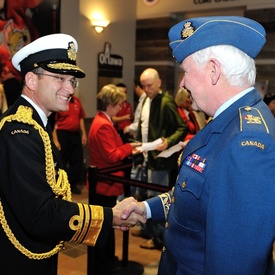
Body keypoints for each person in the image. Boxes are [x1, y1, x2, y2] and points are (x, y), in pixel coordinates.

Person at [122, 16, 275, 274]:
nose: (182, 83)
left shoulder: (247, 144)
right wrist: (147, 209)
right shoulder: (229, 122)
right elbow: (195, 194)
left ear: (214, 70)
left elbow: (234, 263)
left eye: (186, 71)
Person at [0, 33, 145, 275]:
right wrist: (110, 217)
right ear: (31, 80)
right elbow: (39, 213)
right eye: (59, 78)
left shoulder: (37, 124)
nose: (70, 88)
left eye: (72, 81)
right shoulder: (19, 131)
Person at [87, 84, 141, 274]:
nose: (120, 109)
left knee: (107, 226)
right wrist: (130, 148)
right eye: (118, 105)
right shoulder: (103, 125)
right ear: (110, 104)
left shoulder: (104, 121)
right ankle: (103, 264)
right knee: (103, 227)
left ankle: (108, 259)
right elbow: (111, 155)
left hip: (106, 182)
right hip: (103, 183)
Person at [135, 68, 187, 249]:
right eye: (143, 86)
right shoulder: (146, 100)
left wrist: (169, 141)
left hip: (160, 159)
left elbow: (182, 127)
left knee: (156, 197)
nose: (146, 89)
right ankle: (148, 231)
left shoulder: (166, 102)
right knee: (144, 195)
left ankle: (158, 238)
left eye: (149, 85)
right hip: (147, 155)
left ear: (159, 83)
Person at [52, 95, 87, 195]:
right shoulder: (59, 100)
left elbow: (81, 118)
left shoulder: (76, 100)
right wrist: (56, 140)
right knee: (62, 162)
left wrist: (84, 133)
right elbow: (53, 123)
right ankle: (61, 187)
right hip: (63, 135)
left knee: (77, 161)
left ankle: (72, 184)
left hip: (75, 135)